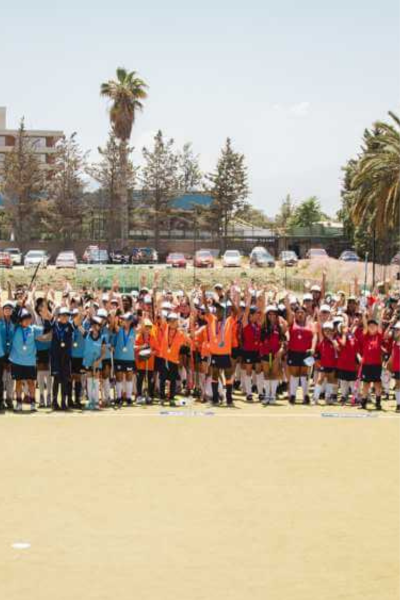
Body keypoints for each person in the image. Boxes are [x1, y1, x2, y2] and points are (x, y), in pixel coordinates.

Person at [9, 307, 52, 412]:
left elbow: (46, 330)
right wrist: (19, 305)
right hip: (16, 360)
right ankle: (18, 403)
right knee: (18, 382)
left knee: (31, 383)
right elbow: (13, 317)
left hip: (30, 361)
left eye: (29, 318)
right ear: (20, 320)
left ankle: (33, 403)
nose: (27, 320)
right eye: (24, 318)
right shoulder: (15, 328)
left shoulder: (33, 329)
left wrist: (46, 318)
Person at [202, 285, 236, 406]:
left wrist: (229, 298)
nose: (217, 311)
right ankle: (215, 399)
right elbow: (206, 309)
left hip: (225, 354)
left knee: (228, 376)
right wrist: (203, 293)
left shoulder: (228, 321)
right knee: (215, 376)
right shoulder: (211, 319)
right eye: (216, 309)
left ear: (224, 311)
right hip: (215, 354)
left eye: (220, 309)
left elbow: (236, 312)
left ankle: (229, 399)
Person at [285, 298, 313, 405]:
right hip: (294, 351)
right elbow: (289, 312)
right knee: (294, 374)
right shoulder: (292, 323)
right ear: (295, 314)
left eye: (302, 312)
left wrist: (313, 348)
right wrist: (288, 303)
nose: (300, 314)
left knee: (304, 374)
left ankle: (305, 395)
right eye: (298, 312)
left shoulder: (310, 324)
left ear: (305, 314)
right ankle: (292, 395)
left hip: (306, 353)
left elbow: (314, 336)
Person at [260, 305, 286, 405]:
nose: (272, 316)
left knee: (274, 374)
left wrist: (281, 350)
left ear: (276, 315)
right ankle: (267, 395)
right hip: (265, 354)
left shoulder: (280, 327)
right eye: (269, 314)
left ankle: (273, 395)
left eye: (274, 314)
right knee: (266, 374)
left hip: (276, 354)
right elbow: (261, 340)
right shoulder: (263, 327)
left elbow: (283, 341)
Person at [359, 316, 384, 410]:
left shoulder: (379, 336)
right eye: (370, 325)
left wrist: (381, 313)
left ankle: (378, 403)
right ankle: (363, 402)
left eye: (374, 325)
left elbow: (380, 324)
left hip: (377, 365)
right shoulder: (366, 336)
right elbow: (365, 326)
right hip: (366, 365)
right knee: (365, 384)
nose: (372, 326)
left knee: (377, 384)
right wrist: (363, 314)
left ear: (377, 327)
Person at [112, 312, 137, 407]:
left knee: (129, 377)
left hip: (130, 358)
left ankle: (128, 397)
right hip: (118, 357)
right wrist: (116, 317)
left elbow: (142, 328)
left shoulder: (133, 331)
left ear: (130, 321)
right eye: (123, 320)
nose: (124, 322)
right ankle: (118, 397)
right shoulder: (118, 330)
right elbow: (115, 324)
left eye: (126, 320)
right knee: (119, 378)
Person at [82, 316, 106, 410]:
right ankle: (90, 401)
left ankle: (96, 401)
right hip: (88, 361)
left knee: (96, 381)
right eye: (93, 325)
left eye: (97, 325)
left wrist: (98, 361)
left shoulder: (102, 337)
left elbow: (104, 352)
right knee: (89, 381)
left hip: (97, 363)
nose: (95, 327)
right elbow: (79, 326)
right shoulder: (86, 334)